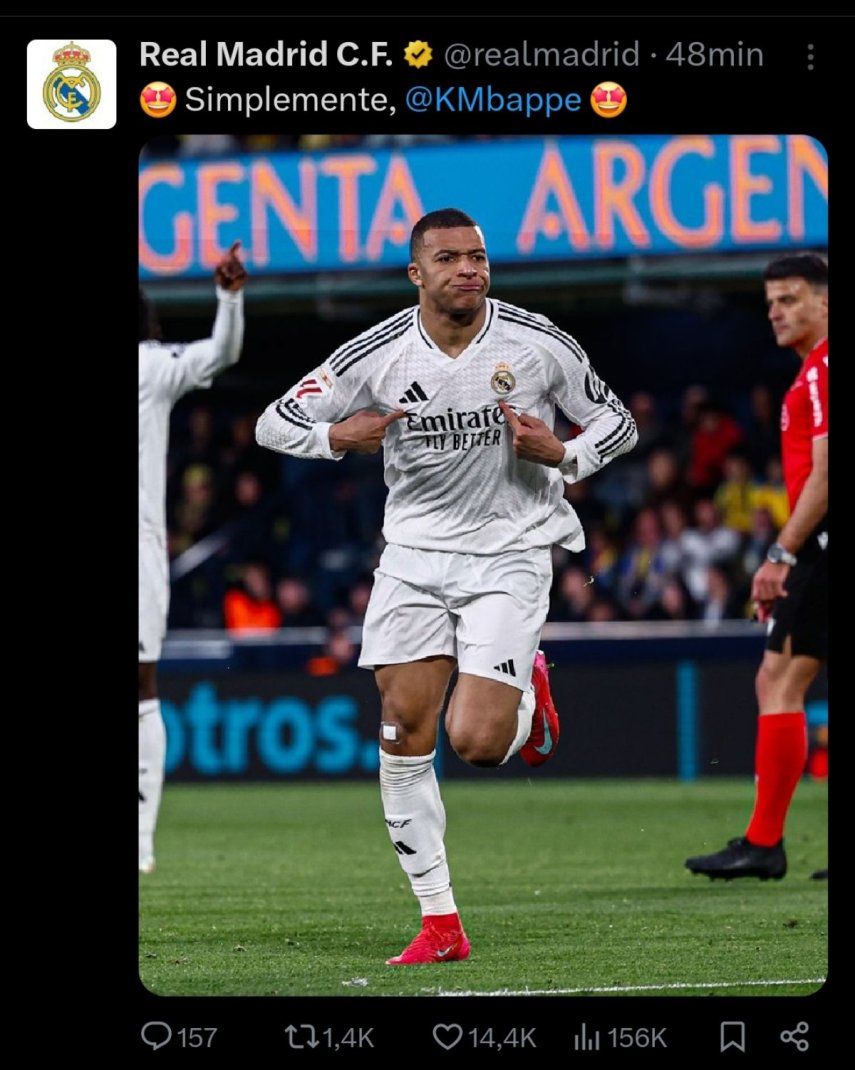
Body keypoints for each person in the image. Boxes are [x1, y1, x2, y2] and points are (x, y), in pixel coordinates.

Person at [256, 208, 637, 963]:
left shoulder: (536, 343)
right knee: (401, 732)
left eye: (478, 257)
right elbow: (275, 421)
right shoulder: (379, 353)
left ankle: (525, 693)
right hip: (412, 559)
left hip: (509, 552)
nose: (468, 269)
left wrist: (563, 453)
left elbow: (617, 422)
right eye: (450, 259)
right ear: (417, 274)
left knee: (478, 744)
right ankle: (440, 923)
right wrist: (335, 436)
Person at [686, 253, 828, 880]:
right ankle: (764, 840)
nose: (776, 311)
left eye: (791, 298)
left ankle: (765, 842)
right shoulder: (810, 374)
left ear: (825, 302)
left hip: (821, 545)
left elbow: (826, 475)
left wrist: (781, 553)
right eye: (771, 301)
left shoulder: (823, 370)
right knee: (776, 680)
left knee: (778, 681)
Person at [138, 240, 248, 874]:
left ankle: (142, 841)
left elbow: (223, 353)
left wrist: (228, 300)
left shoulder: (151, 366)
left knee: (142, 686)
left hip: (141, 550)